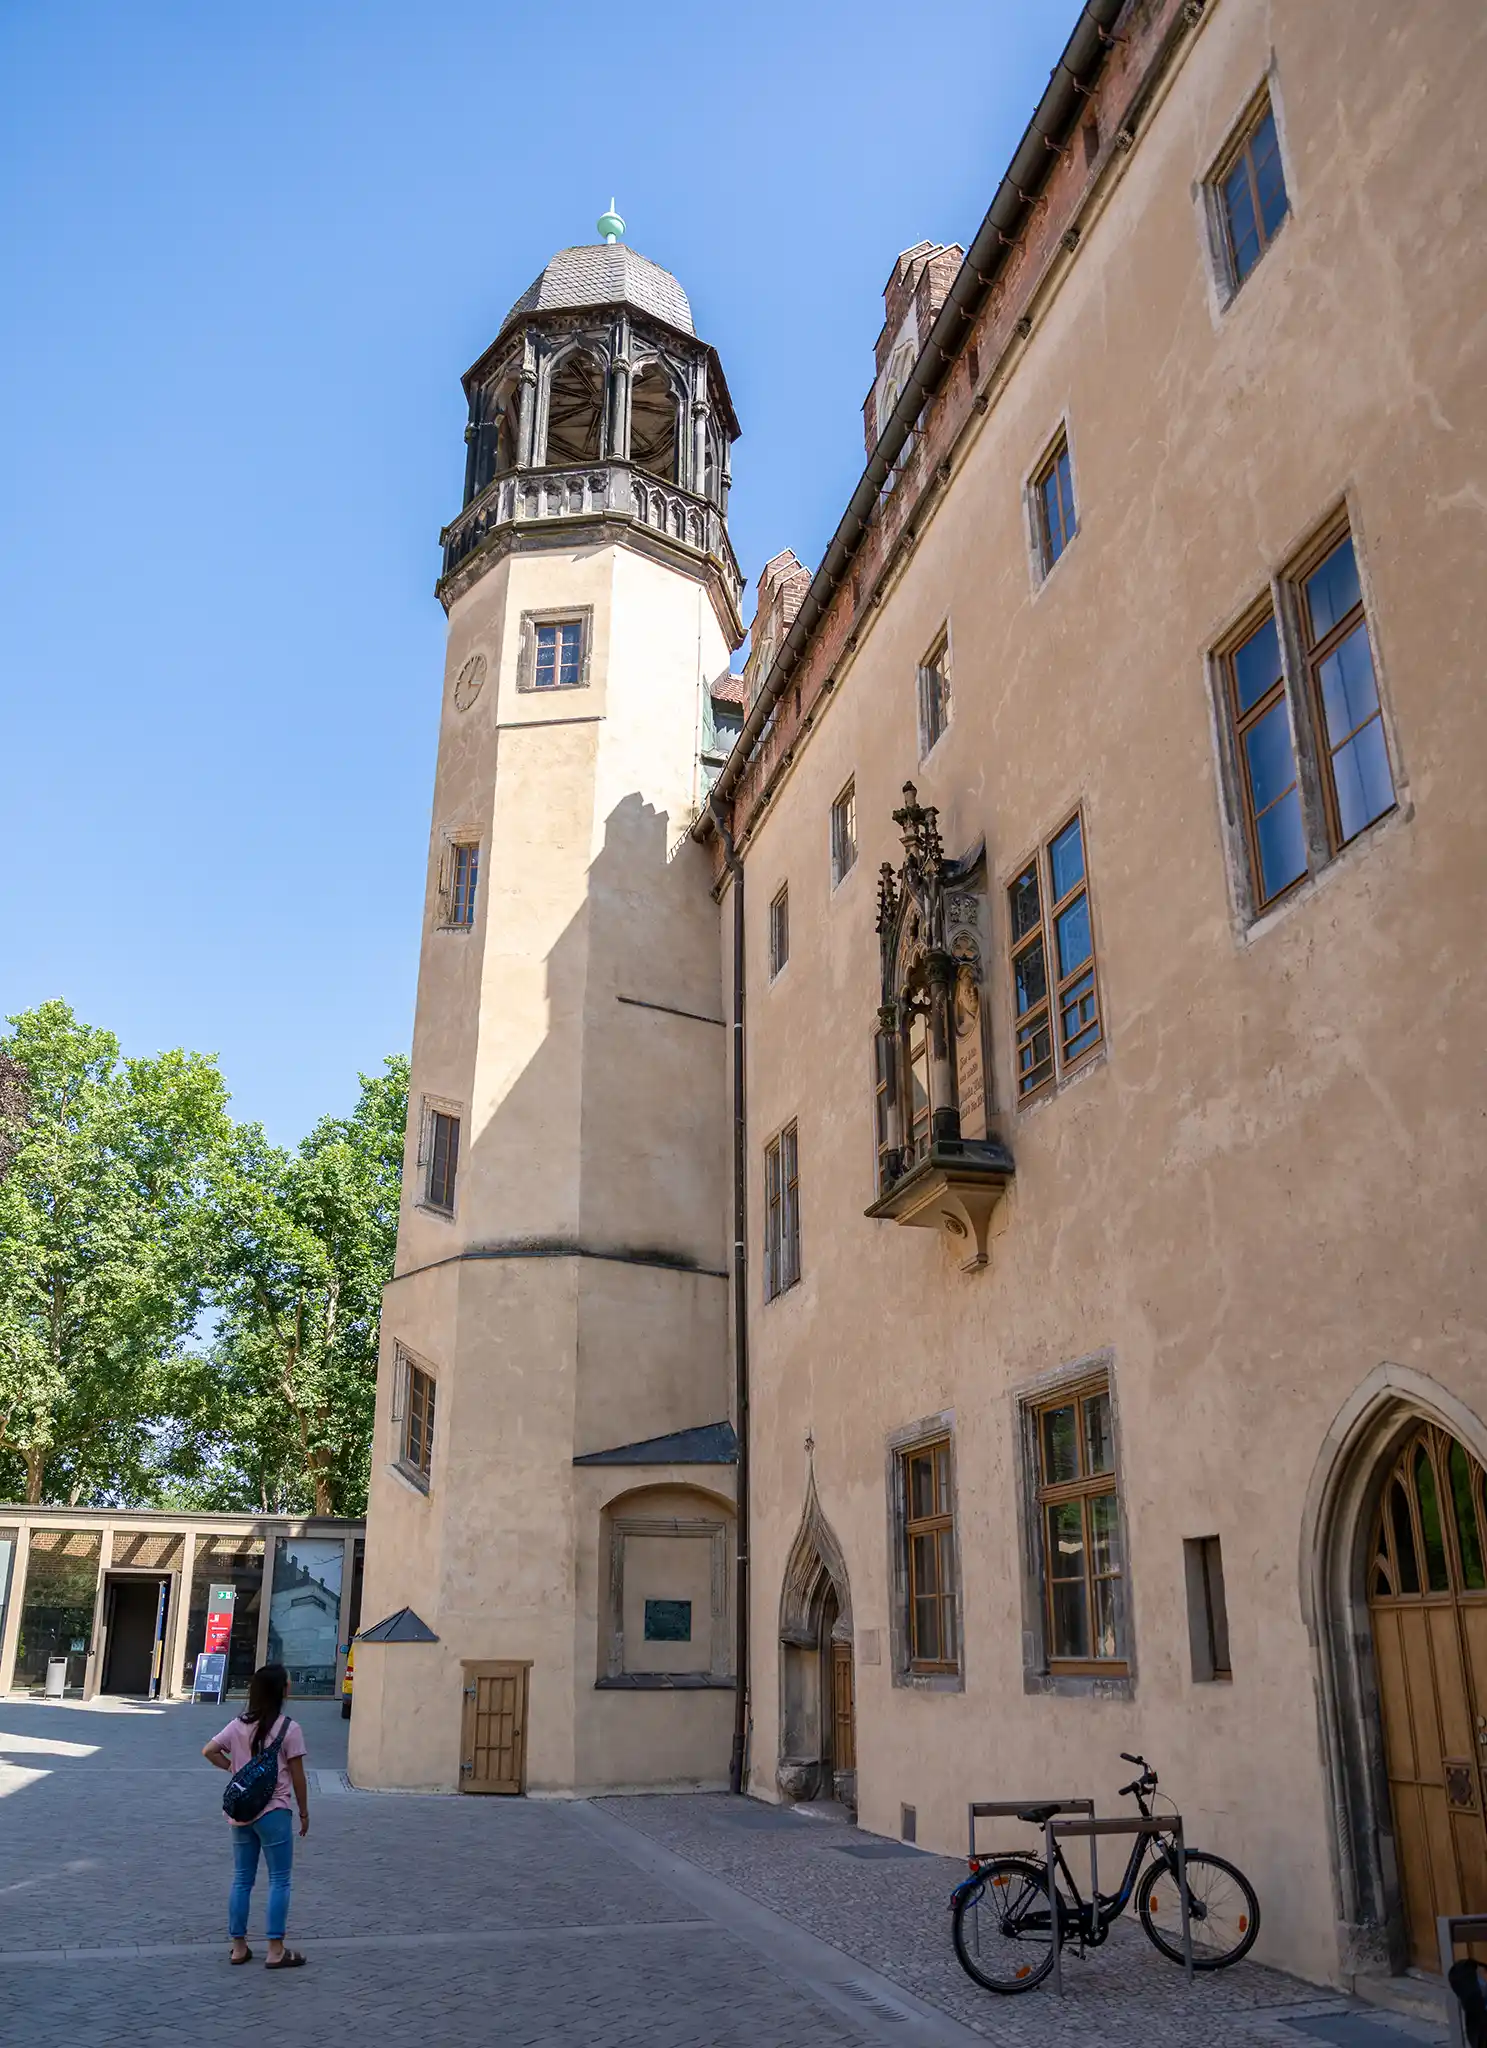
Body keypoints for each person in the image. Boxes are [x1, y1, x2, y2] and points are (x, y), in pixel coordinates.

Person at [202, 1661, 310, 1969]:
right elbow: (299, 1777)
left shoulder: (238, 1724)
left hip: (241, 1811)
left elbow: (208, 1750)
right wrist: (303, 1811)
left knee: (241, 1879)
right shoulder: (289, 1728)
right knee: (279, 1880)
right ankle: (276, 1950)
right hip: (274, 1811)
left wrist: (233, 1769)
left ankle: (238, 1946)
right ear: (281, 1690)